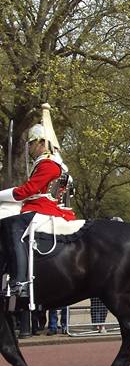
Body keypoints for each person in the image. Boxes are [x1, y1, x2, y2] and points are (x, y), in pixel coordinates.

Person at [0, 103, 76, 300]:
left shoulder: (48, 163)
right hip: (46, 207)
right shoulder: (56, 162)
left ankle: (20, 281)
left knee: (11, 227)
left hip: (43, 208)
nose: (30, 149)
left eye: (32, 144)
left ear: (41, 142)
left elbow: (29, 191)